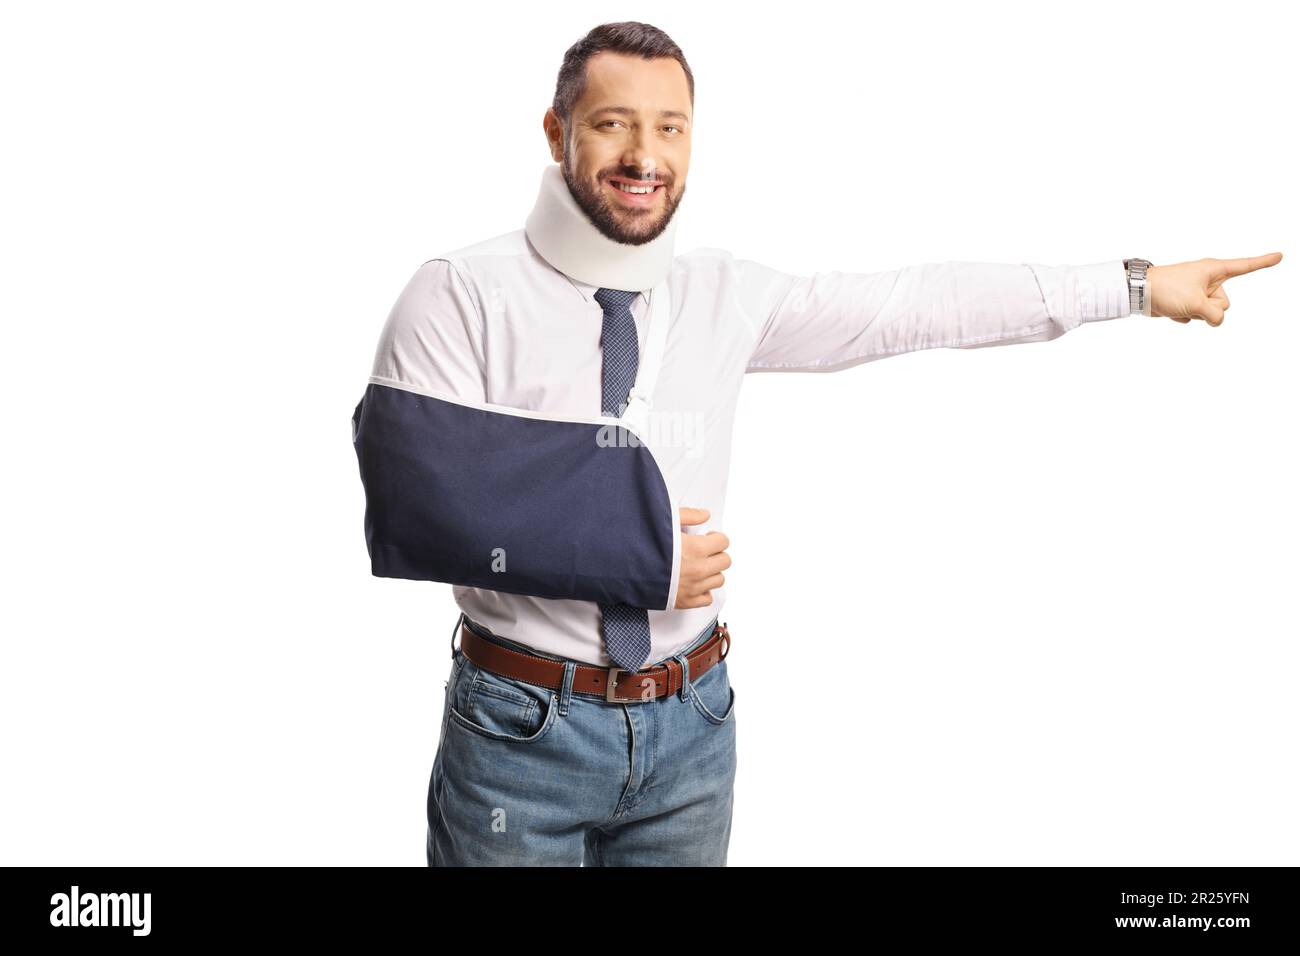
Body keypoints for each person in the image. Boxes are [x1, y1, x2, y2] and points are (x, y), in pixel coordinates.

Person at [351, 20, 1282, 867]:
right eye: (612, 124)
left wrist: (1132, 284)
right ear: (556, 135)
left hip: (693, 722)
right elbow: (416, 506)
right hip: (521, 731)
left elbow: (918, 304)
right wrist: (636, 555)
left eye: (671, 128)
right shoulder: (459, 293)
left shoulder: (724, 295)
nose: (645, 155)